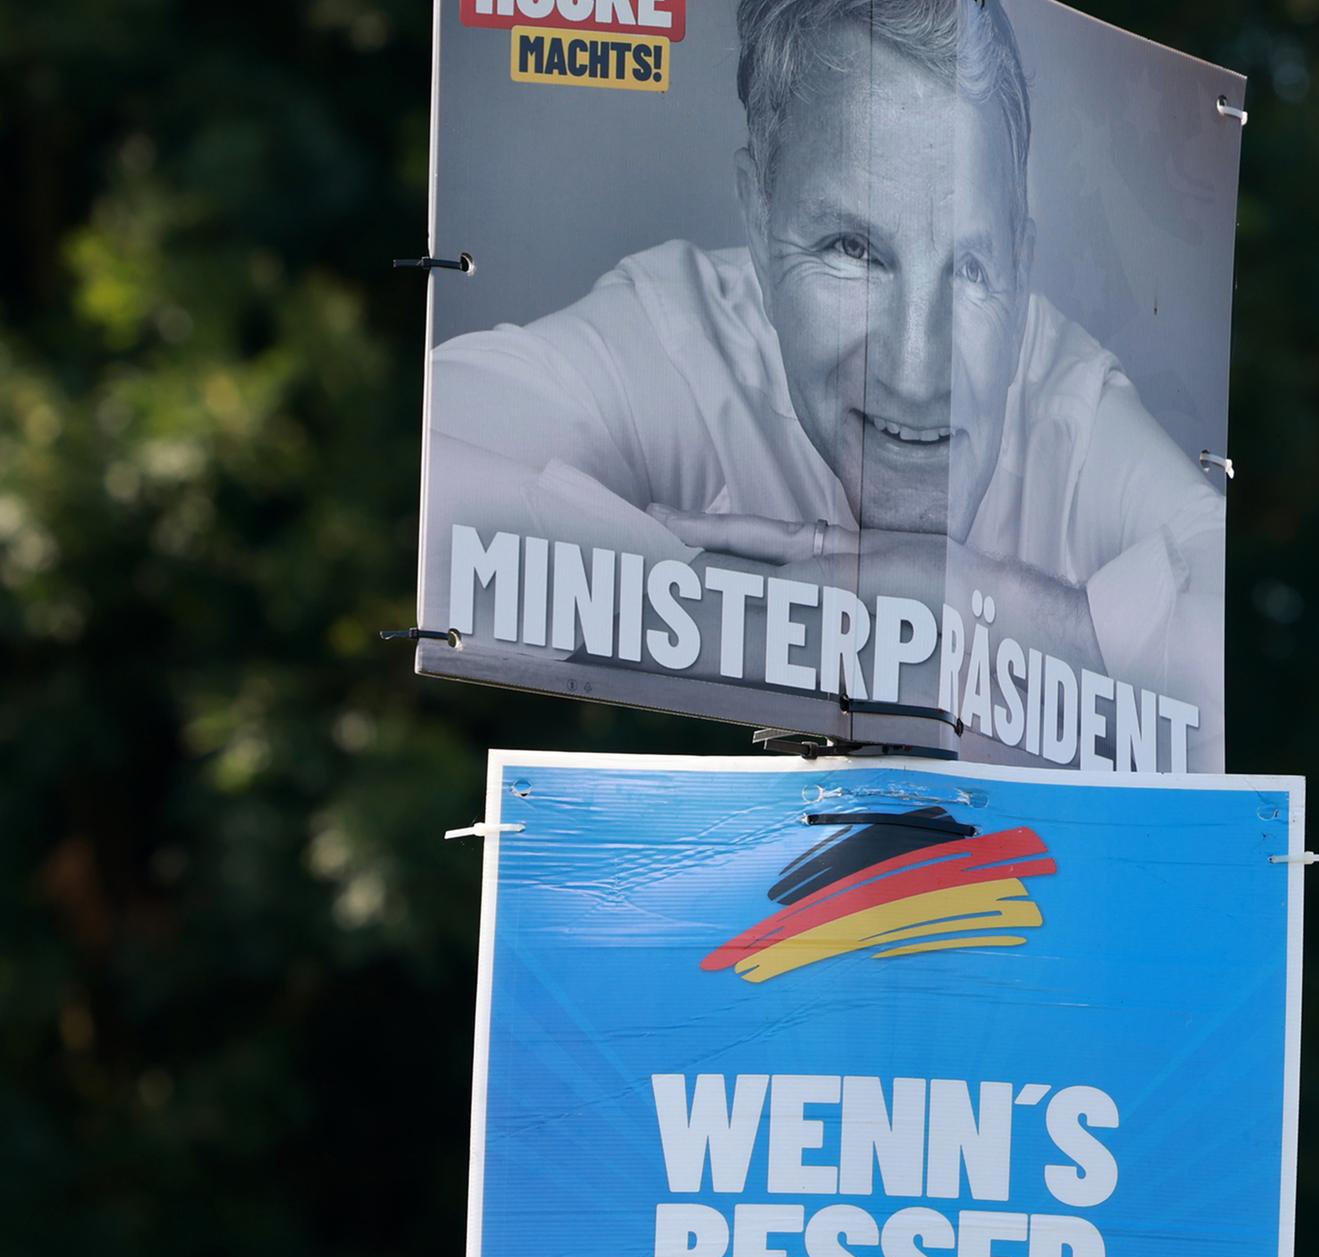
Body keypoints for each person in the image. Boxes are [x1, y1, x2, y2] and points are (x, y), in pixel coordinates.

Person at [427, 0, 1221, 729]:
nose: (916, 372)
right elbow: (431, 477)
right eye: (853, 250)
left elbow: (1232, 608)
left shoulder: (1068, 399)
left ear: (1023, 269)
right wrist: (813, 619)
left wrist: (1022, 615)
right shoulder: (679, 333)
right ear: (758, 216)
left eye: (973, 270)